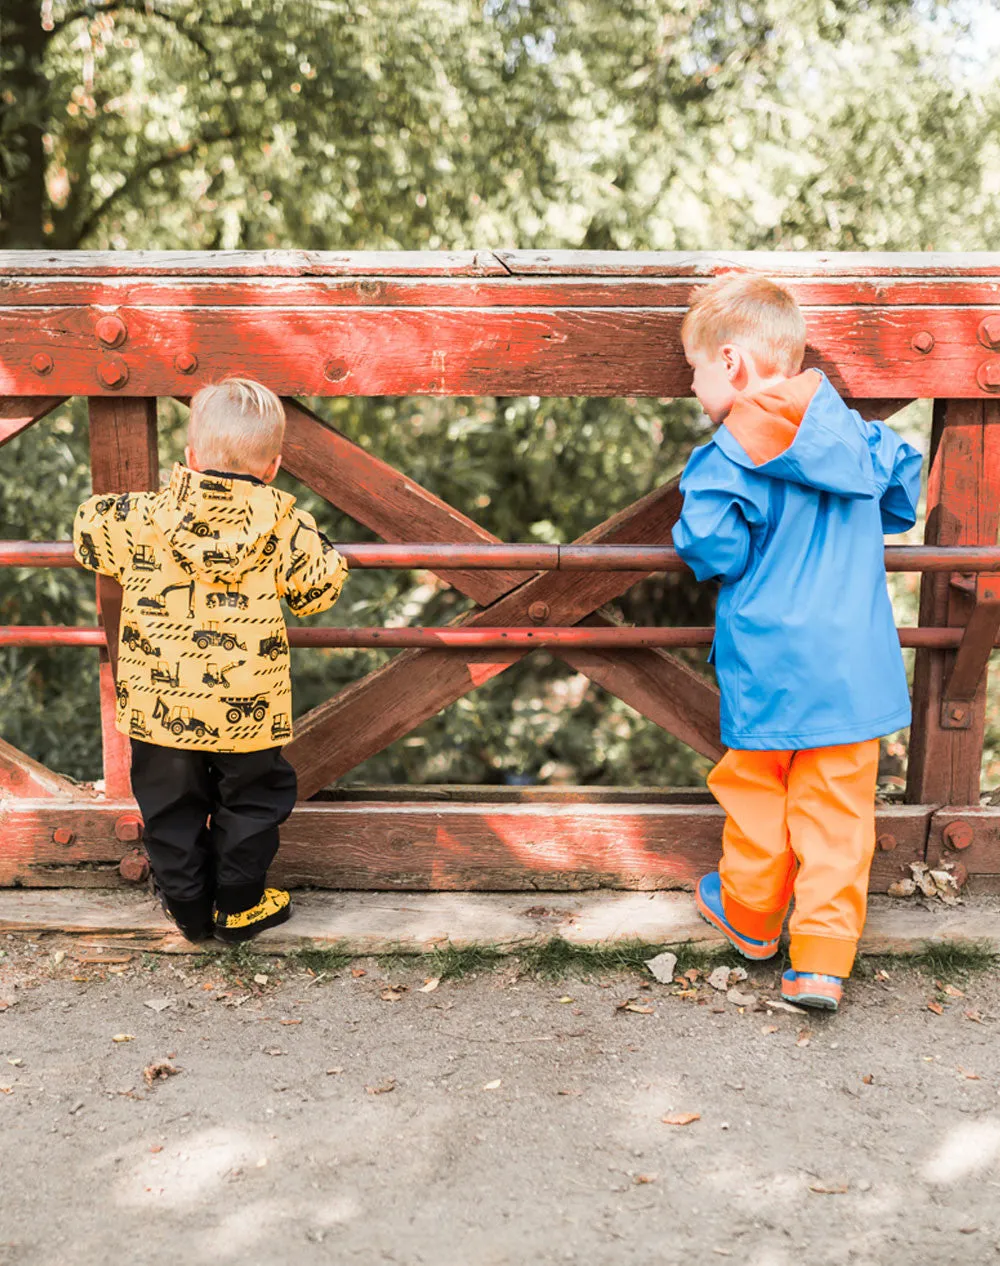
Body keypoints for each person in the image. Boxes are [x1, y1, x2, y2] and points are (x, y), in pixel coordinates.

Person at [673, 275, 921, 1011]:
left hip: (769, 665)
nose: (691, 386)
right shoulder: (858, 438)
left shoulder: (725, 458)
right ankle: (819, 960)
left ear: (731, 362)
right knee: (840, 814)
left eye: (692, 371)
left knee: (756, 793)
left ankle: (749, 918)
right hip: (854, 672)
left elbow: (711, 550)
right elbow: (903, 488)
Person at [74, 378, 348, 944]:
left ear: (192, 457)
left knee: (169, 804)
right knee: (252, 801)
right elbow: (318, 591)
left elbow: (87, 531)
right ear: (272, 466)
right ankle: (241, 905)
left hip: (159, 704)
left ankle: (187, 907)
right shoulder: (286, 524)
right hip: (249, 706)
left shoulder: (142, 514)